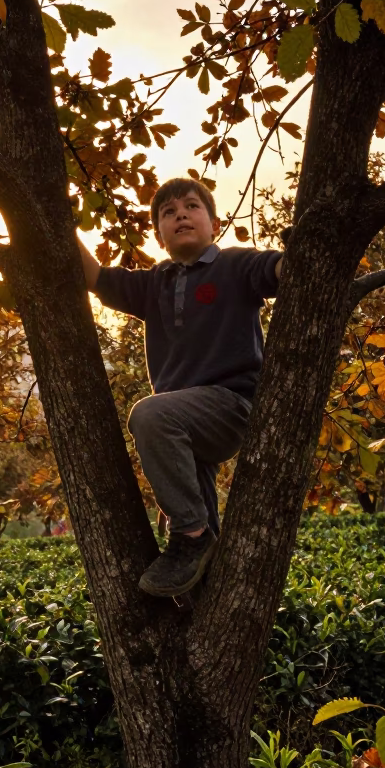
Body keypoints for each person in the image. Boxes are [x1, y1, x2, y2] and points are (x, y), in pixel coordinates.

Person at [78, 178, 284, 598]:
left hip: (229, 406)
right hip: (183, 428)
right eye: (168, 213)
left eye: (192, 207)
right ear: (158, 234)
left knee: (149, 413)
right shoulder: (155, 283)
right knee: (197, 573)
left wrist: (305, 248)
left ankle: (191, 535)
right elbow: (94, 276)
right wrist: (56, 216)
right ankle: (205, 595)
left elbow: (280, 271)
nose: (181, 216)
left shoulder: (236, 265)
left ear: (214, 222)